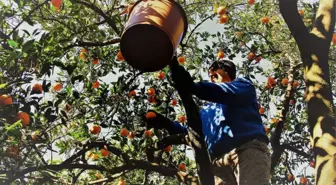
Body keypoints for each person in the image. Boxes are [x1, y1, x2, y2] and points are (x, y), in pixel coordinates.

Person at [146, 58, 270, 185]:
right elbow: (191, 132)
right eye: (209, 73)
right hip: (218, 165)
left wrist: (193, 87)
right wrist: (166, 123)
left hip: (246, 149)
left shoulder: (243, 85)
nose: (211, 74)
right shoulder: (206, 111)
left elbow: (226, 92)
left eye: (215, 69)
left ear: (227, 70)